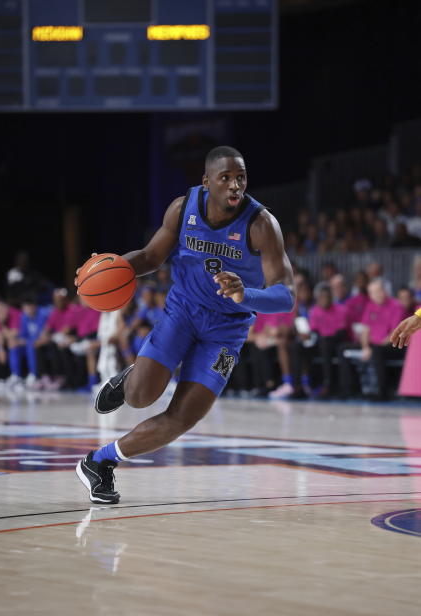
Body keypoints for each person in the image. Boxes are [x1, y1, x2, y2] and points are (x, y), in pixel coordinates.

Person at [75, 145, 295, 504]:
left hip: (227, 330)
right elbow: (149, 257)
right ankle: (130, 378)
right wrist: (105, 270)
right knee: (138, 396)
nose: (235, 185)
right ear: (207, 181)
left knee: (183, 417)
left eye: (240, 177)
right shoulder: (182, 209)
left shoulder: (261, 224)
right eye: (225, 178)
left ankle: (99, 463)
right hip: (183, 312)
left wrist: (246, 295)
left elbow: (286, 295)